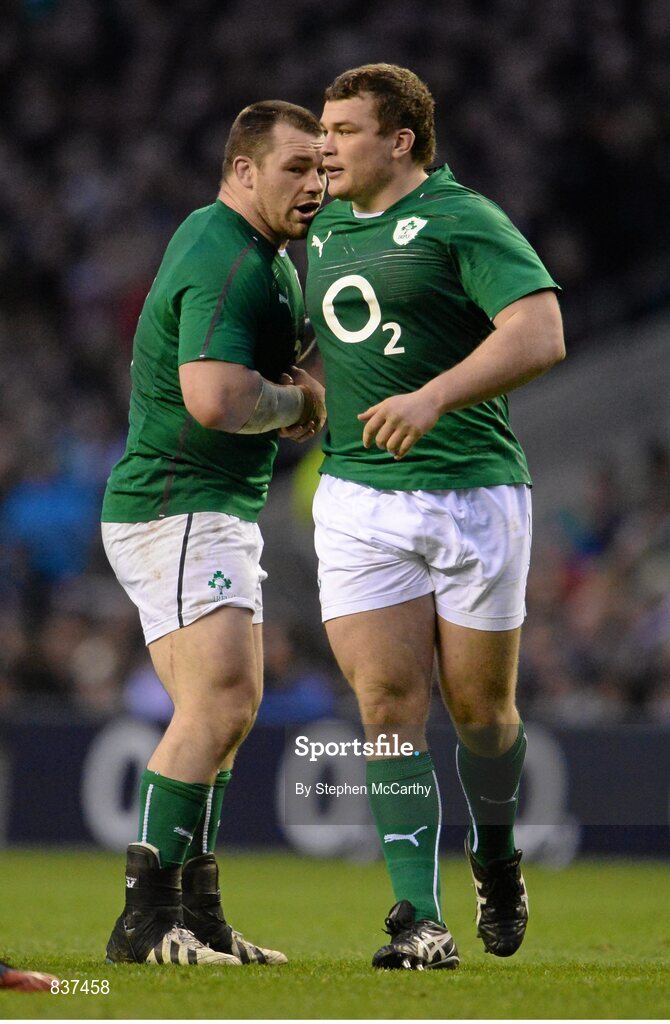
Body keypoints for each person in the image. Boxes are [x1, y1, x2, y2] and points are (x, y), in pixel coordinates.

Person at [306, 64, 565, 970]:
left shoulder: (464, 219)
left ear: (400, 141)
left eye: (342, 129)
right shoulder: (320, 226)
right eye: (322, 129)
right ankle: (418, 915)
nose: (324, 145)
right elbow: (334, 341)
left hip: (476, 494)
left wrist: (434, 399)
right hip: (358, 499)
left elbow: (539, 332)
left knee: (483, 712)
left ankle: (496, 853)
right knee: (387, 705)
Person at [101, 100, 326, 968]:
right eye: (295, 167)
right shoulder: (229, 255)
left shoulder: (263, 256)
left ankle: (196, 916)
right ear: (243, 170)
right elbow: (217, 398)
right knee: (221, 703)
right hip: (181, 502)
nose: (314, 183)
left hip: (199, 507)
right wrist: (299, 404)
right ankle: (148, 922)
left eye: (320, 168)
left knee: (225, 713)